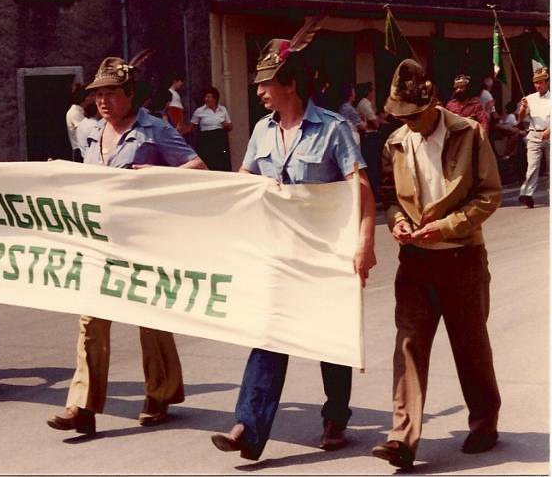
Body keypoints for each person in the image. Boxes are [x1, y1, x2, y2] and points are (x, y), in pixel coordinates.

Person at [211, 33, 376, 461]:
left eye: (266, 83)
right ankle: (248, 426)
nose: (260, 91)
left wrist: (365, 244)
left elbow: (360, 188)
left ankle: (336, 417)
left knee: (327, 340)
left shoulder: (334, 129)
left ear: (290, 84)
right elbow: (246, 183)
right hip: (278, 254)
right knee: (271, 334)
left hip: (324, 252)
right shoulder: (262, 132)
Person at [46, 52, 207, 436]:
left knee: (149, 318)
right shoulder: (88, 131)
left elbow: (197, 167)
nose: (102, 101)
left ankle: (160, 393)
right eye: (98, 94)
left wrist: (158, 175)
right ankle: (82, 407)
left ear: (131, 94)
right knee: (91, 322)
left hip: (143, 240)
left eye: (111, 93)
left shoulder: (155, 129)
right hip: (99, 240)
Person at [372, 59, 502, 471]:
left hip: (461, 258)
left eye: (413, 115)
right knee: (408, 344)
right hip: (414, 262)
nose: (408, 123)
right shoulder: (394, 142)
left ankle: (484, 422)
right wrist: (397, 223)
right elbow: (389, 197)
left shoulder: (469, 133)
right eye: (400, 116)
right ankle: (402, 437)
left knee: (470, 344)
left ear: (432, 103)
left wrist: (445, 228)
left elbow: (488, 194)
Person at [516, 65, 550, 208]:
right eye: (536, 82)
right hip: (534, 134)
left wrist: (549, 130)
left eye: (541, 82)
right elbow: (520, 119)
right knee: (532, 166)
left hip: (549, 133)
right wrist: (523, 108)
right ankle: (527, 194)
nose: (538, 85)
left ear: (547, 82)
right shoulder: (529, 98)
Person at [190, 86, 233, 171]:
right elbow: (194, 124)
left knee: (221, 162)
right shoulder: (200, 111)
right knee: (209, 162)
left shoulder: (222, 109)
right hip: (207, 138)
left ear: (215, 99)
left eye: (209, 97)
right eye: (205, 97)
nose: (206, 99)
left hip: (220, 138)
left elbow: (231, 126)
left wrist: (226, 125)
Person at [66, 83, 91, 162]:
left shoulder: (81, 110)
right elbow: (85, 130)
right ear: (86, 98)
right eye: (92, 95)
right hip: (79, 149)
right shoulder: (75, 111)